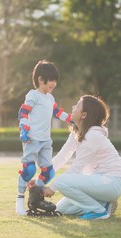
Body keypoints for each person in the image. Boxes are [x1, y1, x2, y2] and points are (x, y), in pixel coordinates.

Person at [43, 95, 121, 220]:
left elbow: (78, 166)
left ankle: (98, 211)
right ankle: (104, 204)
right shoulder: (77, 132)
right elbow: (62, 156)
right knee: (61, 208)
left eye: (77, 106)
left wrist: (53, 187)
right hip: (97, 182)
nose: (73, 107)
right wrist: (41, 179)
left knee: (61, 181)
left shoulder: (93, 135)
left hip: (111, 182)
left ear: (84, 115)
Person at [16, 59, 73, 215]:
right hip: (32, 139)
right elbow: (23, 112)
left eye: (55, 80)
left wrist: (72, 119)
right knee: (29, 170)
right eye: (51, 80)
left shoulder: (50, 98)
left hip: (46, 141)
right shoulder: (33, 95)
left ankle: (35, 192)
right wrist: (24, 128)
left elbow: (57, 113)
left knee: (48, 172)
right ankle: (19, 200)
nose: (54, 84)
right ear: (41, 79)